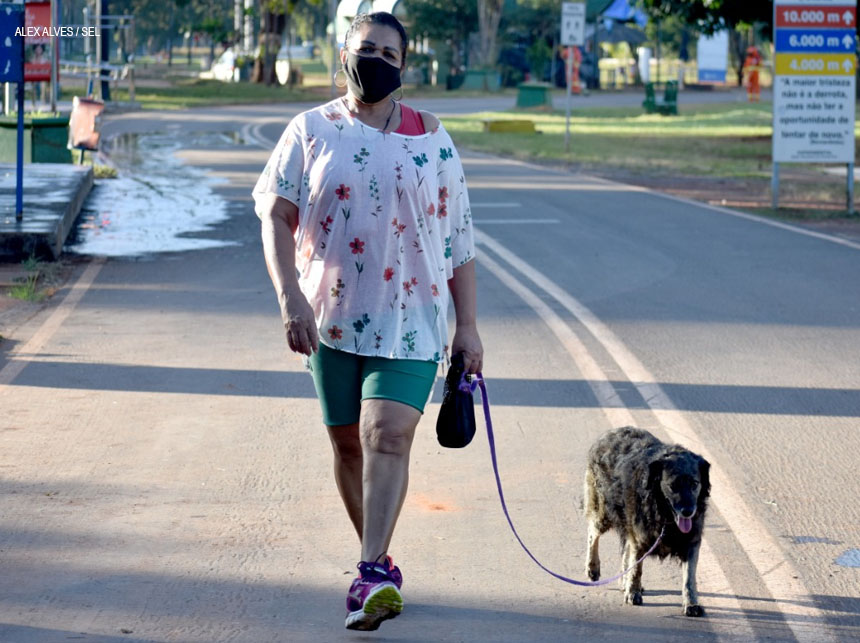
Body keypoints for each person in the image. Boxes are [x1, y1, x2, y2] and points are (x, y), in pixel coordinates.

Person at [251, 11, 483, 632]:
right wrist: (289, 299)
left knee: (386, 434)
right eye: (365, 48)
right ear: (345, 54)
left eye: (388, 51)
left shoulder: (432, 137)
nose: (375, 59)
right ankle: (378, 561)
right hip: (329, 321)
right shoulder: (309, 129)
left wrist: (469, 328)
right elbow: (274, 216)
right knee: (348, 444)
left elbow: (458, 241)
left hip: (413, 321)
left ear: (404, 66)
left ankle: (371, 572)